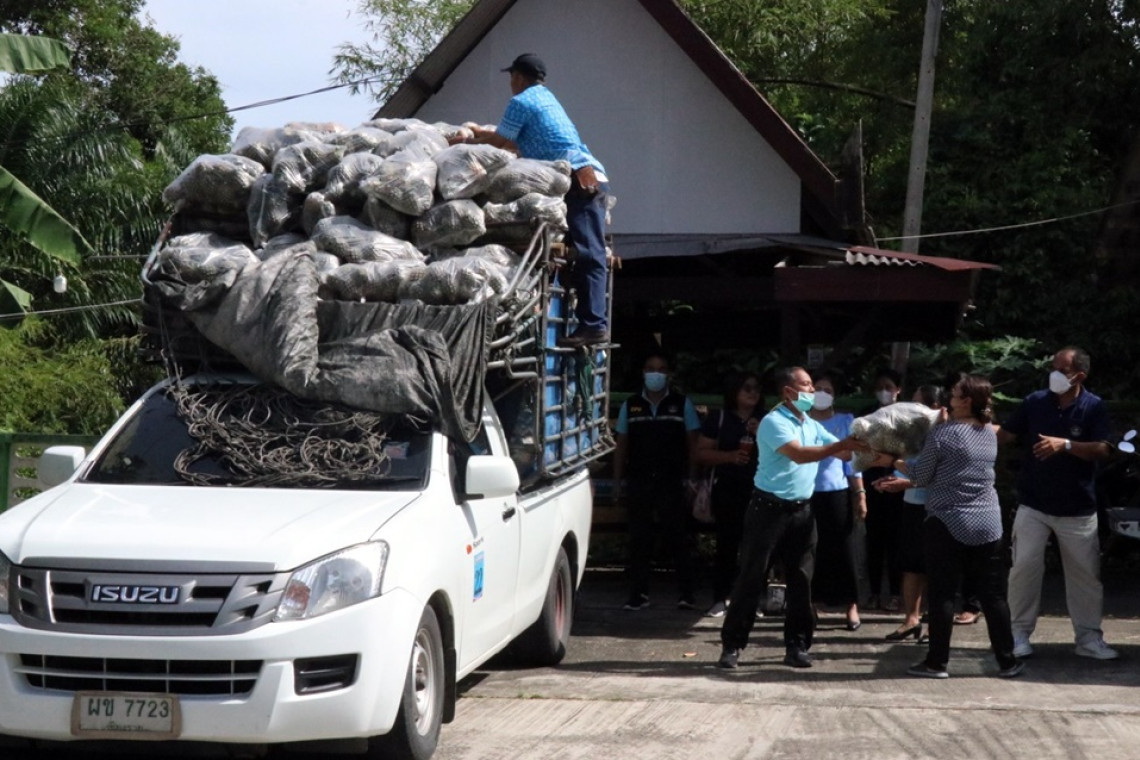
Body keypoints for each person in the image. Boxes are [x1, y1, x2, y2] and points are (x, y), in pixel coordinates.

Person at [717, 367, 866, 669]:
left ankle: (797, 646)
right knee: (751, 577)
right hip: (768, 511)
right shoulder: (773, 422)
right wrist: (842, 445)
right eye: (807, 385)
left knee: (801, 581)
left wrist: (879, 449)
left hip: (802, 511)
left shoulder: (810, 423)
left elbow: (844, 454)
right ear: (788, 392)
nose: (813, 391)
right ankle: (732, 645)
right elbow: (800, 454)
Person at [463, 53, 610, 348]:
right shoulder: (545, 98)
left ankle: (594, 325)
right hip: (581, 178)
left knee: (588, 253)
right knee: (582, 254)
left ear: (518, 77)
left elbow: (500, 142)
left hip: (580, 181)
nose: (510, 83)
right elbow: (512, 141)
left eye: (511, 77)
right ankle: (588, 323)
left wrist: (466, 143)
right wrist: (481, 135)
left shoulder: (522, 101)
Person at [996, 347, 1118, 660]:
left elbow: (1104, 449)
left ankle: (1089, 638)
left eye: (1062, 370)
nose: (1054, 375)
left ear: (1080, 376)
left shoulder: (1094, 406)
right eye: (1053, 368)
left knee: (1085, 576)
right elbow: (1004, 435)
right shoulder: (1035, 401)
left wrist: (1065, 445)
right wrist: (969, 425)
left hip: (1078, 508)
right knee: (1023, 569)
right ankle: (1017, 635)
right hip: (1033, 503)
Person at [898, 374, 1023, 679]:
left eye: (954, 394)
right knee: (993, 596)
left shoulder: (943, 434)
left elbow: (921, 476)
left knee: (942, 593)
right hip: (988, 522)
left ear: (965, 401)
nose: (949, 398)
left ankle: (936, 662)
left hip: (946, 520)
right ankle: (1007, 660)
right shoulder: (989, 432)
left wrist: (893, 461)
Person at [612, 350, 701, 610]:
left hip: (672, 481)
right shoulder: (631, 405)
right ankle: (638, 595)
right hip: (639, 480)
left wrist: (693, 479)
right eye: (651, 368)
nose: (656, 374)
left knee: (678, 537)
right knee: (639, 539)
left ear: (668, 374)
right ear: (643, 373)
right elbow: (621, 446)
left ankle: (686, 594)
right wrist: (617, 483)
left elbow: (693, 445)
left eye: (661, 369)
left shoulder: (681, 404)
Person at [872, 384, 945, 643]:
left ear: (935, 408)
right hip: (912, 505)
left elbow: (936, 475)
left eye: (917, 403)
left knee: (936, 568)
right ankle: (911, 620)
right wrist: (891, 478)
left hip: (936, 508)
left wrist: (902, 478)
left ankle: (936, 624)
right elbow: (907, 466)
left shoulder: (945, 435)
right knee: (911, 565)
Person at [694, 372, 763, 618]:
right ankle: (721, 597)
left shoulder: (766, 420)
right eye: (746, 388)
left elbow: (783, 451)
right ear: (734, 391)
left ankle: (751, 600)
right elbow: (701, 452)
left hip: (759, 490)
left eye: (756, 388)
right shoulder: (719, 418)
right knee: (726, 544)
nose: (752, 393)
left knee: (756, 548)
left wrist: (762, 432)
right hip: (727, 488)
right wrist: (730, 457)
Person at [807, 372, 864, 631]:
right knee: (810, 550)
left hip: (837, 492)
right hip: (806, 493)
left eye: (827, 390)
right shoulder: (801, 421)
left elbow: (853, 462)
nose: (821, 394)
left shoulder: (845, 421)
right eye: (817, 388)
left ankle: (851, 604)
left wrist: (860, 494)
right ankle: (811, 603)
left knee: (844, 548)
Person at [861, 368, 904, 612]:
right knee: (874, 541)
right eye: (879, 387)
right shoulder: (866, 415)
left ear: (898, 390)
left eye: (889, 387)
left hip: (899, 485)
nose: (884, 392)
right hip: (872, 484)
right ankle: (875, 592)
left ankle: (896, 593)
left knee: (896, 542)